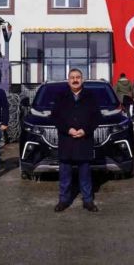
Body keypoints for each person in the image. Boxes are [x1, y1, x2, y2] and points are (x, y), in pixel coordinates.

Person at [52, 69, 102, 212]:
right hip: (66, 141)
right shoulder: (61, 96)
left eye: (78, 77)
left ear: (82, 79)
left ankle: (88, 201)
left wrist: (85, 130)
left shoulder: (90, 96)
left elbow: (97, 118)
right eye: (72, 77)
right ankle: (63, 200)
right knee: (65, 175)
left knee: (85, 175)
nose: (75, 80)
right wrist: (68, 129)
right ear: (68, 80)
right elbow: (55, 117)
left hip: (84, 141)